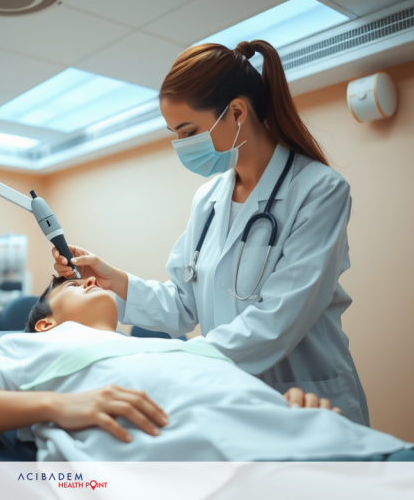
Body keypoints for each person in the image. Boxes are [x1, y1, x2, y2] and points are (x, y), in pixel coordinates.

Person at [53, 40, 369, 426]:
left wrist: (174, 361)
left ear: (237, 111)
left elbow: (278, 320)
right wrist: (114, 279)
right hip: (231, 394)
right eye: (176, 134)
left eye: (189, 132)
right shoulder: (209, 199)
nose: (182, 147)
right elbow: (185, 306)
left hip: (307, 399)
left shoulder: (319, 190)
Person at [0, 276, 414, 462]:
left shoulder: (186, 347)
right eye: (67, 288)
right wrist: (64, 404)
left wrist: (287, 402)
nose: (87, 282)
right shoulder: (32, 349)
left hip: (335, 447)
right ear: (43, 323)